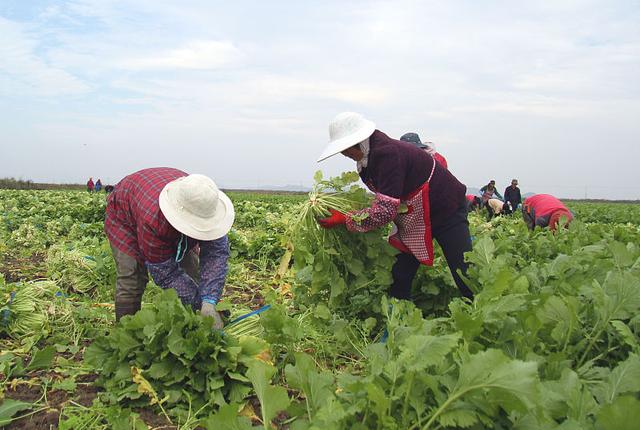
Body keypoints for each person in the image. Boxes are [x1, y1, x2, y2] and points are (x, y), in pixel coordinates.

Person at [316, 112, 473, 301]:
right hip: (415, 216)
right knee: (400, 272)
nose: (345, 154)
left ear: (356, 142)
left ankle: (479, 314)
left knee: (463, 271)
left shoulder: (387, 154)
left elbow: (385, 211)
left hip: (447, 209)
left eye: (345, 150)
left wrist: (347, 219)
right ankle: (398, 315)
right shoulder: (368, 158)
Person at [104, 168, 235, 327]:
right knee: (131, 275)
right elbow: (165, 273)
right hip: (125, 214)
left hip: (159, 197)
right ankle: (126, 333)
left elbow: (216, 255)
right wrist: (198, 303)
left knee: (192, 271)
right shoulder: (153, 220)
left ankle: (196, 326)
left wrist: (209, 301)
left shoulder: (204, 202)